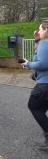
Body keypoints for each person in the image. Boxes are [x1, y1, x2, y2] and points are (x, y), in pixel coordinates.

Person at [21, 20, 48, 151]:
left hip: (44, 84)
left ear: (46, 30)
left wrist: (28, 64)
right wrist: (37, 40)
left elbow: (42, 64)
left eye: (41, 29)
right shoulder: (43, 43)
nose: (38, 31)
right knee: (41, 109)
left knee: (34, 106)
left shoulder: (46, 44)